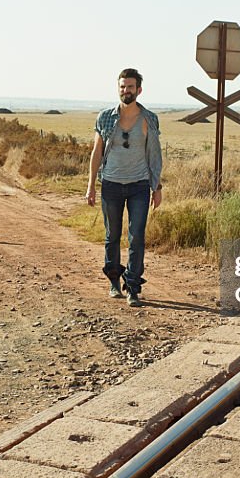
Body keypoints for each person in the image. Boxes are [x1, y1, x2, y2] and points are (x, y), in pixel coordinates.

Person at [86, 68, 163, 307]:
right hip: (110, 184)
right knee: (112, 237)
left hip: (139, 185)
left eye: (130, 87)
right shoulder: (106, 117)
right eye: (122, 86)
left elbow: (154, 155)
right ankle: (114, 282)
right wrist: (90, 186)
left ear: (138, 90)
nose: (125, 91)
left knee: (137, 237)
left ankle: (133, 287)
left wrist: (156, 186)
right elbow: (96, 152)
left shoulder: (149, 119)